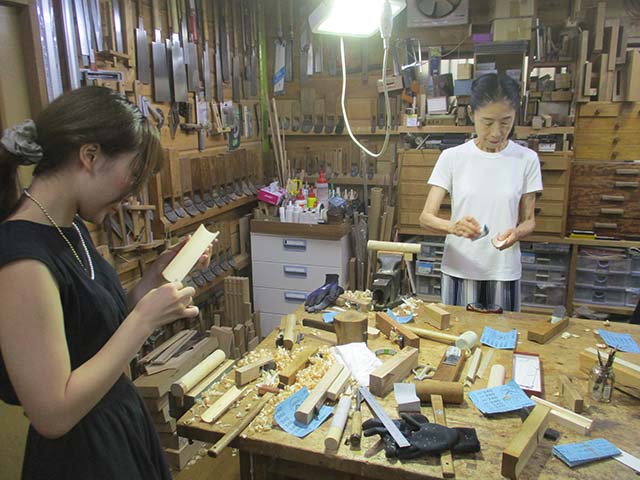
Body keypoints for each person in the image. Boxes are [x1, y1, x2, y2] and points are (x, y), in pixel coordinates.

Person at [0, 86, 212, 479]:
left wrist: (152, 281)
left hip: (118, 429)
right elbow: (52, 413)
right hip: (80, 458)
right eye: (132, 174)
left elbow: (91, 334)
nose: (132, 195)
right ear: (90, 156)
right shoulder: (21, 260)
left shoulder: (71, 228)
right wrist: (143, 321)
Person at [419, 73, 543, 312]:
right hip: (460, 268)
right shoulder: (452, 158)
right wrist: (452, 227)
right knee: (458, 333)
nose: (496, 132)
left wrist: (516, 233)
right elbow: (425, 217)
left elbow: (529, 221)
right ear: (472, 114)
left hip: (503, 270)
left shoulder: (527, 159)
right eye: (487, 122)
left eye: (505, 122)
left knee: (503, 334)